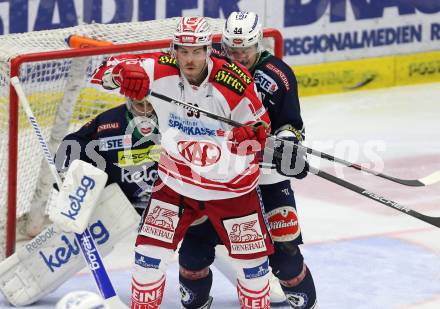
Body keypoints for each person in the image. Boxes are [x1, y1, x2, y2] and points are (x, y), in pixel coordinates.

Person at [91, 16, 274, 309]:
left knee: (253, 271)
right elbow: (100, 73)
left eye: (197, 51)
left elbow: (261, 127)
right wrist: (120, 75)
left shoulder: (234, 81)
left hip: (232, 191)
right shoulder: (157, 68)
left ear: (208, 49)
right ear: (174, 49)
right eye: (184, 51)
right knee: (147, 260)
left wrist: (251, 135)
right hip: (175, 183)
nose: (190, 59)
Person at [177, 12, 317, 309]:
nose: (238, 57)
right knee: (193, 253)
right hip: (217, 176)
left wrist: (289, 149)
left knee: (286, 258)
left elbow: (291, 125)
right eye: (232, 50)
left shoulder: (279, 75)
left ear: (259, 43)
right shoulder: (209, 61)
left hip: (266, 175)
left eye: (245, 50)